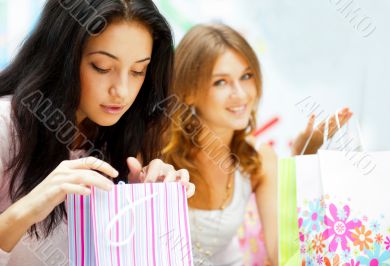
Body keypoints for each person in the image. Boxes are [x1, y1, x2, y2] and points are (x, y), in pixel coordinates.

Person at [0, 0, 194, 265]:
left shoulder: (120, 135)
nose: (122, 91)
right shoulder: (6, 126)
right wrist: (27, 209)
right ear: (62, 56)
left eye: (138, 71)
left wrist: (142, 207)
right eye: (102, 67)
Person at [163, 24, 352, 265]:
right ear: (188, 92)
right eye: (221, 82)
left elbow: (284, 254)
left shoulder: (260, 158)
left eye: (247, 76)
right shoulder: (156, 150)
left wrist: (303, 157)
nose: (241, 94)